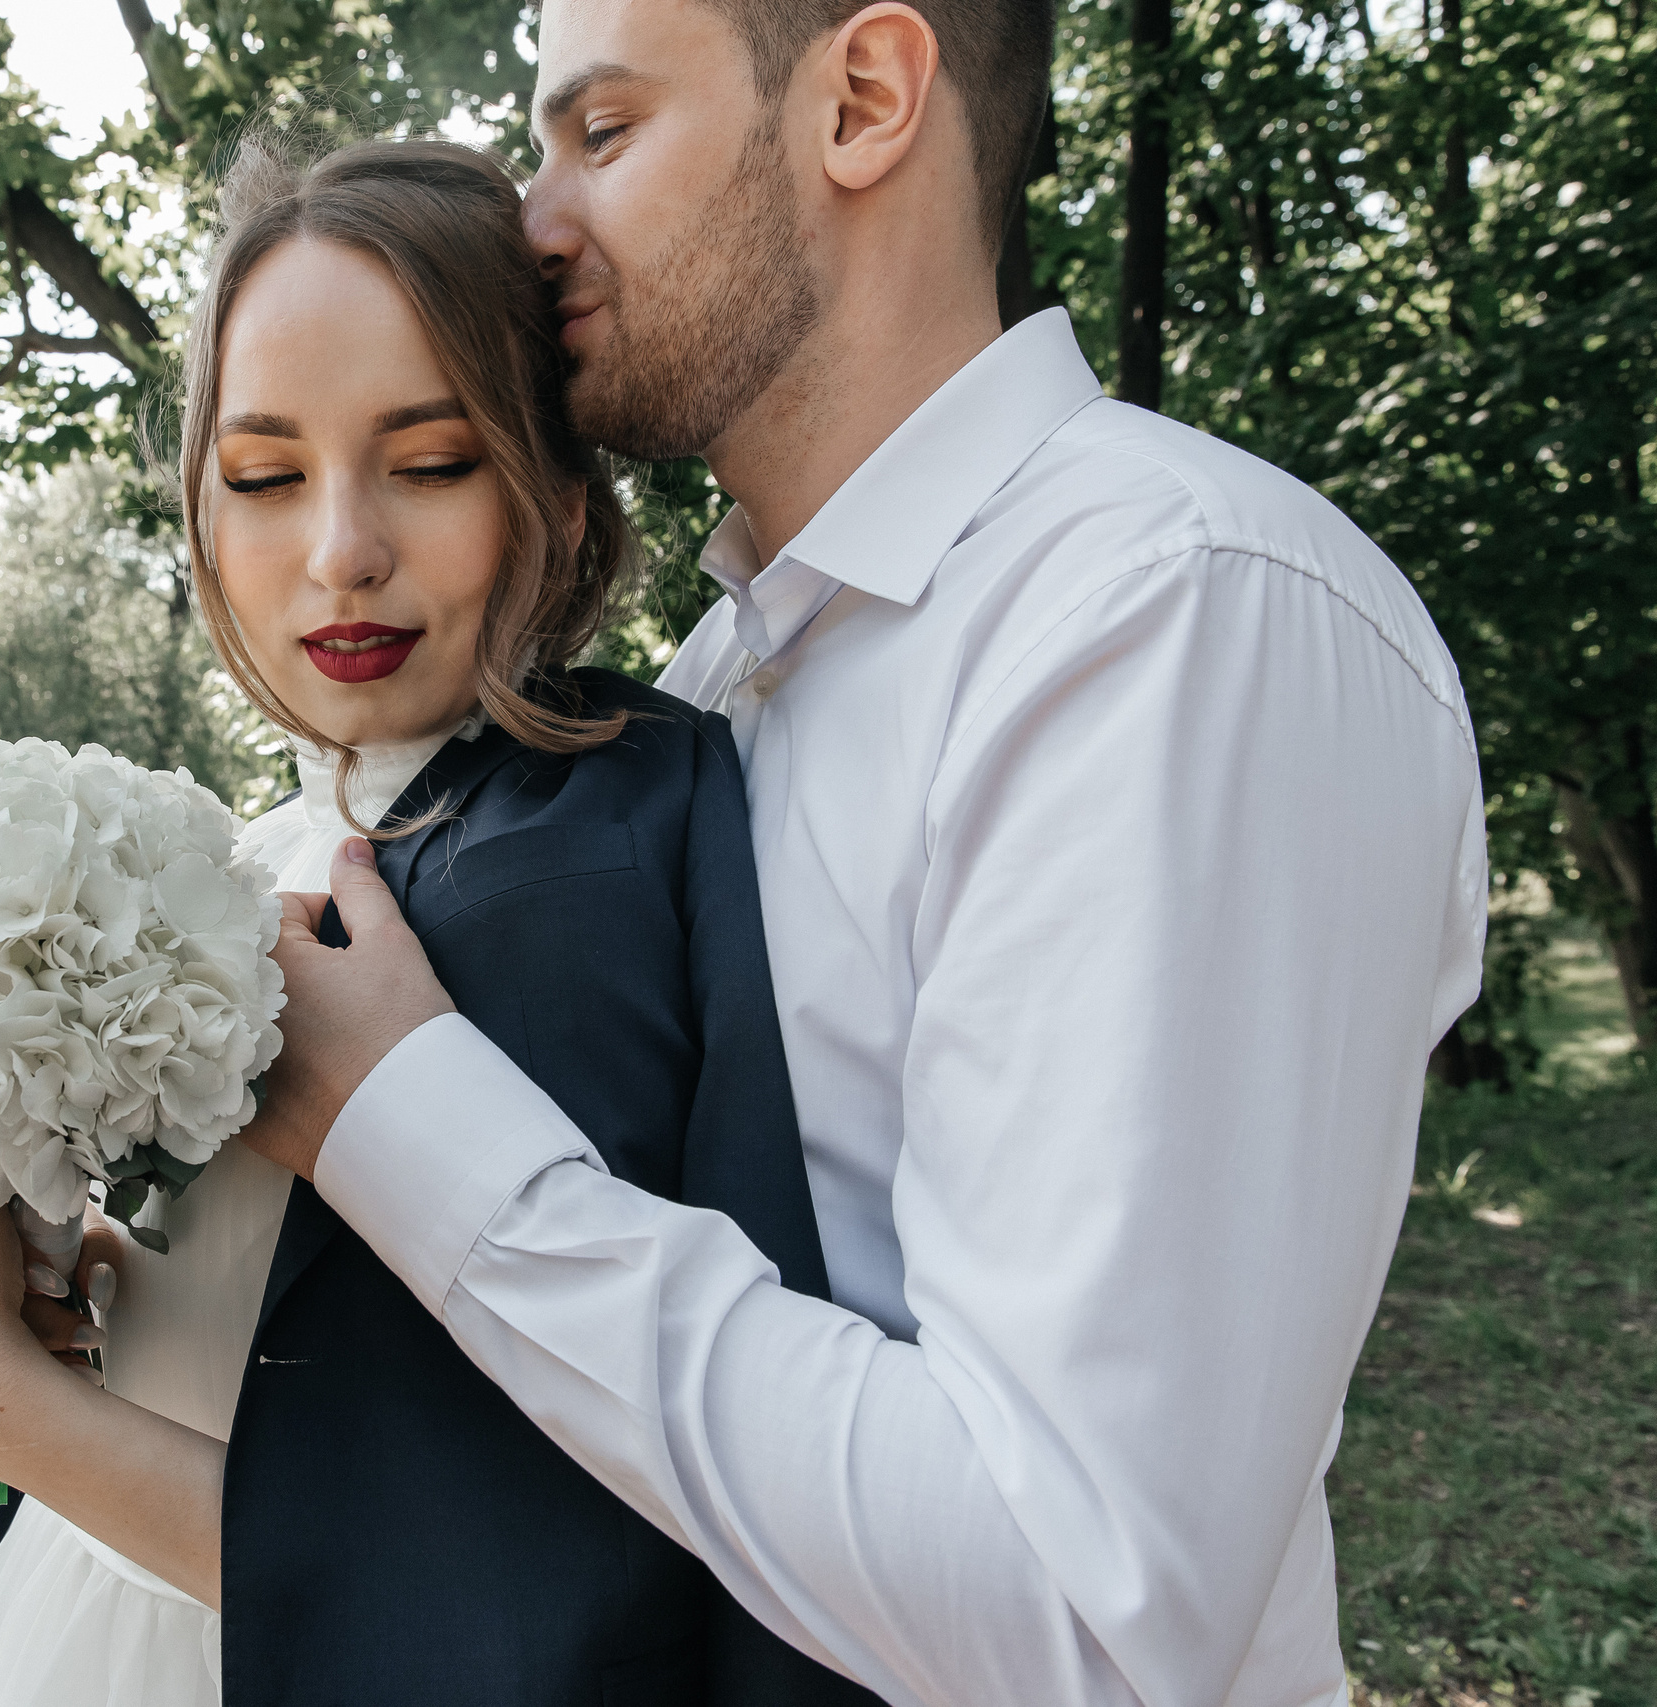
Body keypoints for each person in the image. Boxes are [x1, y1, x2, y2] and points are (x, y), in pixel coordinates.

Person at [223, 2, 1487, 1703]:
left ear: (866, 98)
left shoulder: (1174, 612)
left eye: (600, 132)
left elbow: (1086, 1622)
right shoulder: (721, 683)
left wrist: (410, 1130)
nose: (532, 217)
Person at [0, 136, 873, 1707]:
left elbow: (516, 1597)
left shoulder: (558, 866)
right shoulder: (297, 836)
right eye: (263, 476)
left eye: (434, 459)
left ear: (565, 496)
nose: (340, 550)